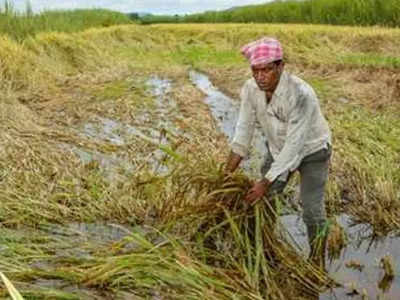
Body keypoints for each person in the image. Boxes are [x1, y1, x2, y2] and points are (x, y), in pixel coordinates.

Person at [225, 37, 332, 268]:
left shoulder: (301, 94)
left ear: (281, 66)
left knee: (312, 209)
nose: (261, 76)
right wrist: (225, 173)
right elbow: (243, 131)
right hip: (278, 149)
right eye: (256, 70)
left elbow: (295, 145)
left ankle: (317, 260)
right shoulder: (250, 89)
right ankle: (265, 247)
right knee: (266, 201)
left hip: (312, 151)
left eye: (267, 70)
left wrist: (265, 181)